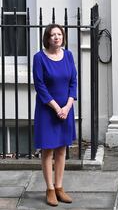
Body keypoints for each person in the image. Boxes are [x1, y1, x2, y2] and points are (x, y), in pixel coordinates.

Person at [33, 24, 77, 206]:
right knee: (48, 150)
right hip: (47, 110)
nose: (57, 37)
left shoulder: (68, 55)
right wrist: (56, 108)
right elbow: (40, 86)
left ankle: (59, 187)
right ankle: (50, 189)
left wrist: (67, 106)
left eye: (59, 34)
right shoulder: (39, 58)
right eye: (53, 35)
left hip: (66, 110)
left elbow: (73, 81)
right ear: (47, 38)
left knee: (61, 149)